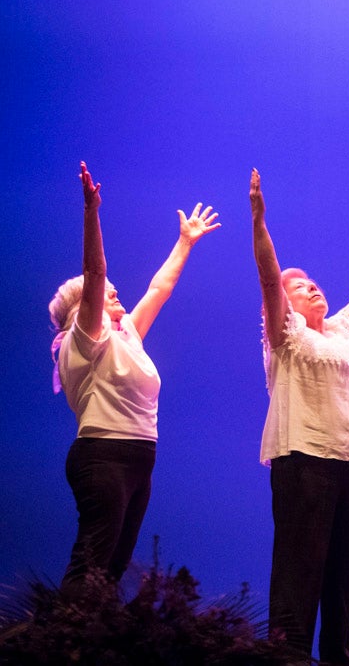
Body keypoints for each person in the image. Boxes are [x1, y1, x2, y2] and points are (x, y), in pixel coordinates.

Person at [250, 168, 349, 664]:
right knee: (299, 569)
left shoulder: (342, 329)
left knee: (342, 572)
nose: (312, 288)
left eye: (314, 283)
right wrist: (259, 222)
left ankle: (338, 656)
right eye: (300, 287)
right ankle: (288, 657)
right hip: (303, 462)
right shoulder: (285, 335)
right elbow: (269, 276)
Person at [49, 161, 220, 596]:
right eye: (108, 292)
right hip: (104, 455)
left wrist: (185, 243)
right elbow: (95, 271)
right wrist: (91, 212)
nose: (115, 291)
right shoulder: (85, 338)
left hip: (139, 456)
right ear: (83, 306)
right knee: (92, 562)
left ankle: (92, 631)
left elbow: (159, 289)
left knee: (111, 569)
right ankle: (61, 632)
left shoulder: (125, 334)